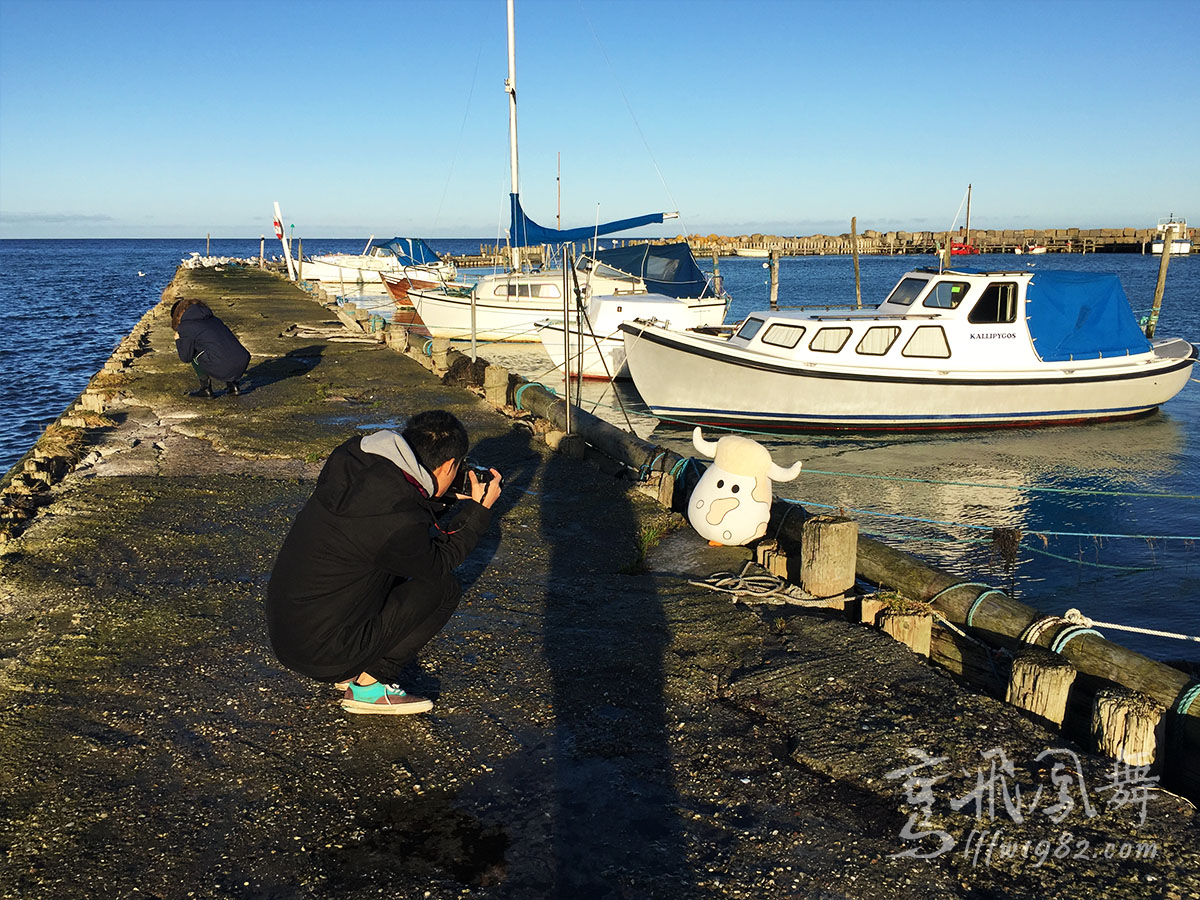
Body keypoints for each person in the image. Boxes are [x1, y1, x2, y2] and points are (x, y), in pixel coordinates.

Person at [265, 410, 502, 715]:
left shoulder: (358, 465)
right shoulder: (396, 522)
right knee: (443, 588)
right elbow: (438, 561)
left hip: (291, 632)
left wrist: (444, 496)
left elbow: (401, 522)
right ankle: (369, 687)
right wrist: (478, 513)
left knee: (392, 568)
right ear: (447, 466)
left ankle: (352, 665)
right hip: (320, 652)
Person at [171, 297, 251, 398]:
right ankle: (233, 385)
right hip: (242, 362)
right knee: (219, 346)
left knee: (193, 353)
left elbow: (185, 357)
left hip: (224, 367)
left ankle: (205, 389)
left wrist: (178, 340)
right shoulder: (214, 319)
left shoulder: (186, 326)